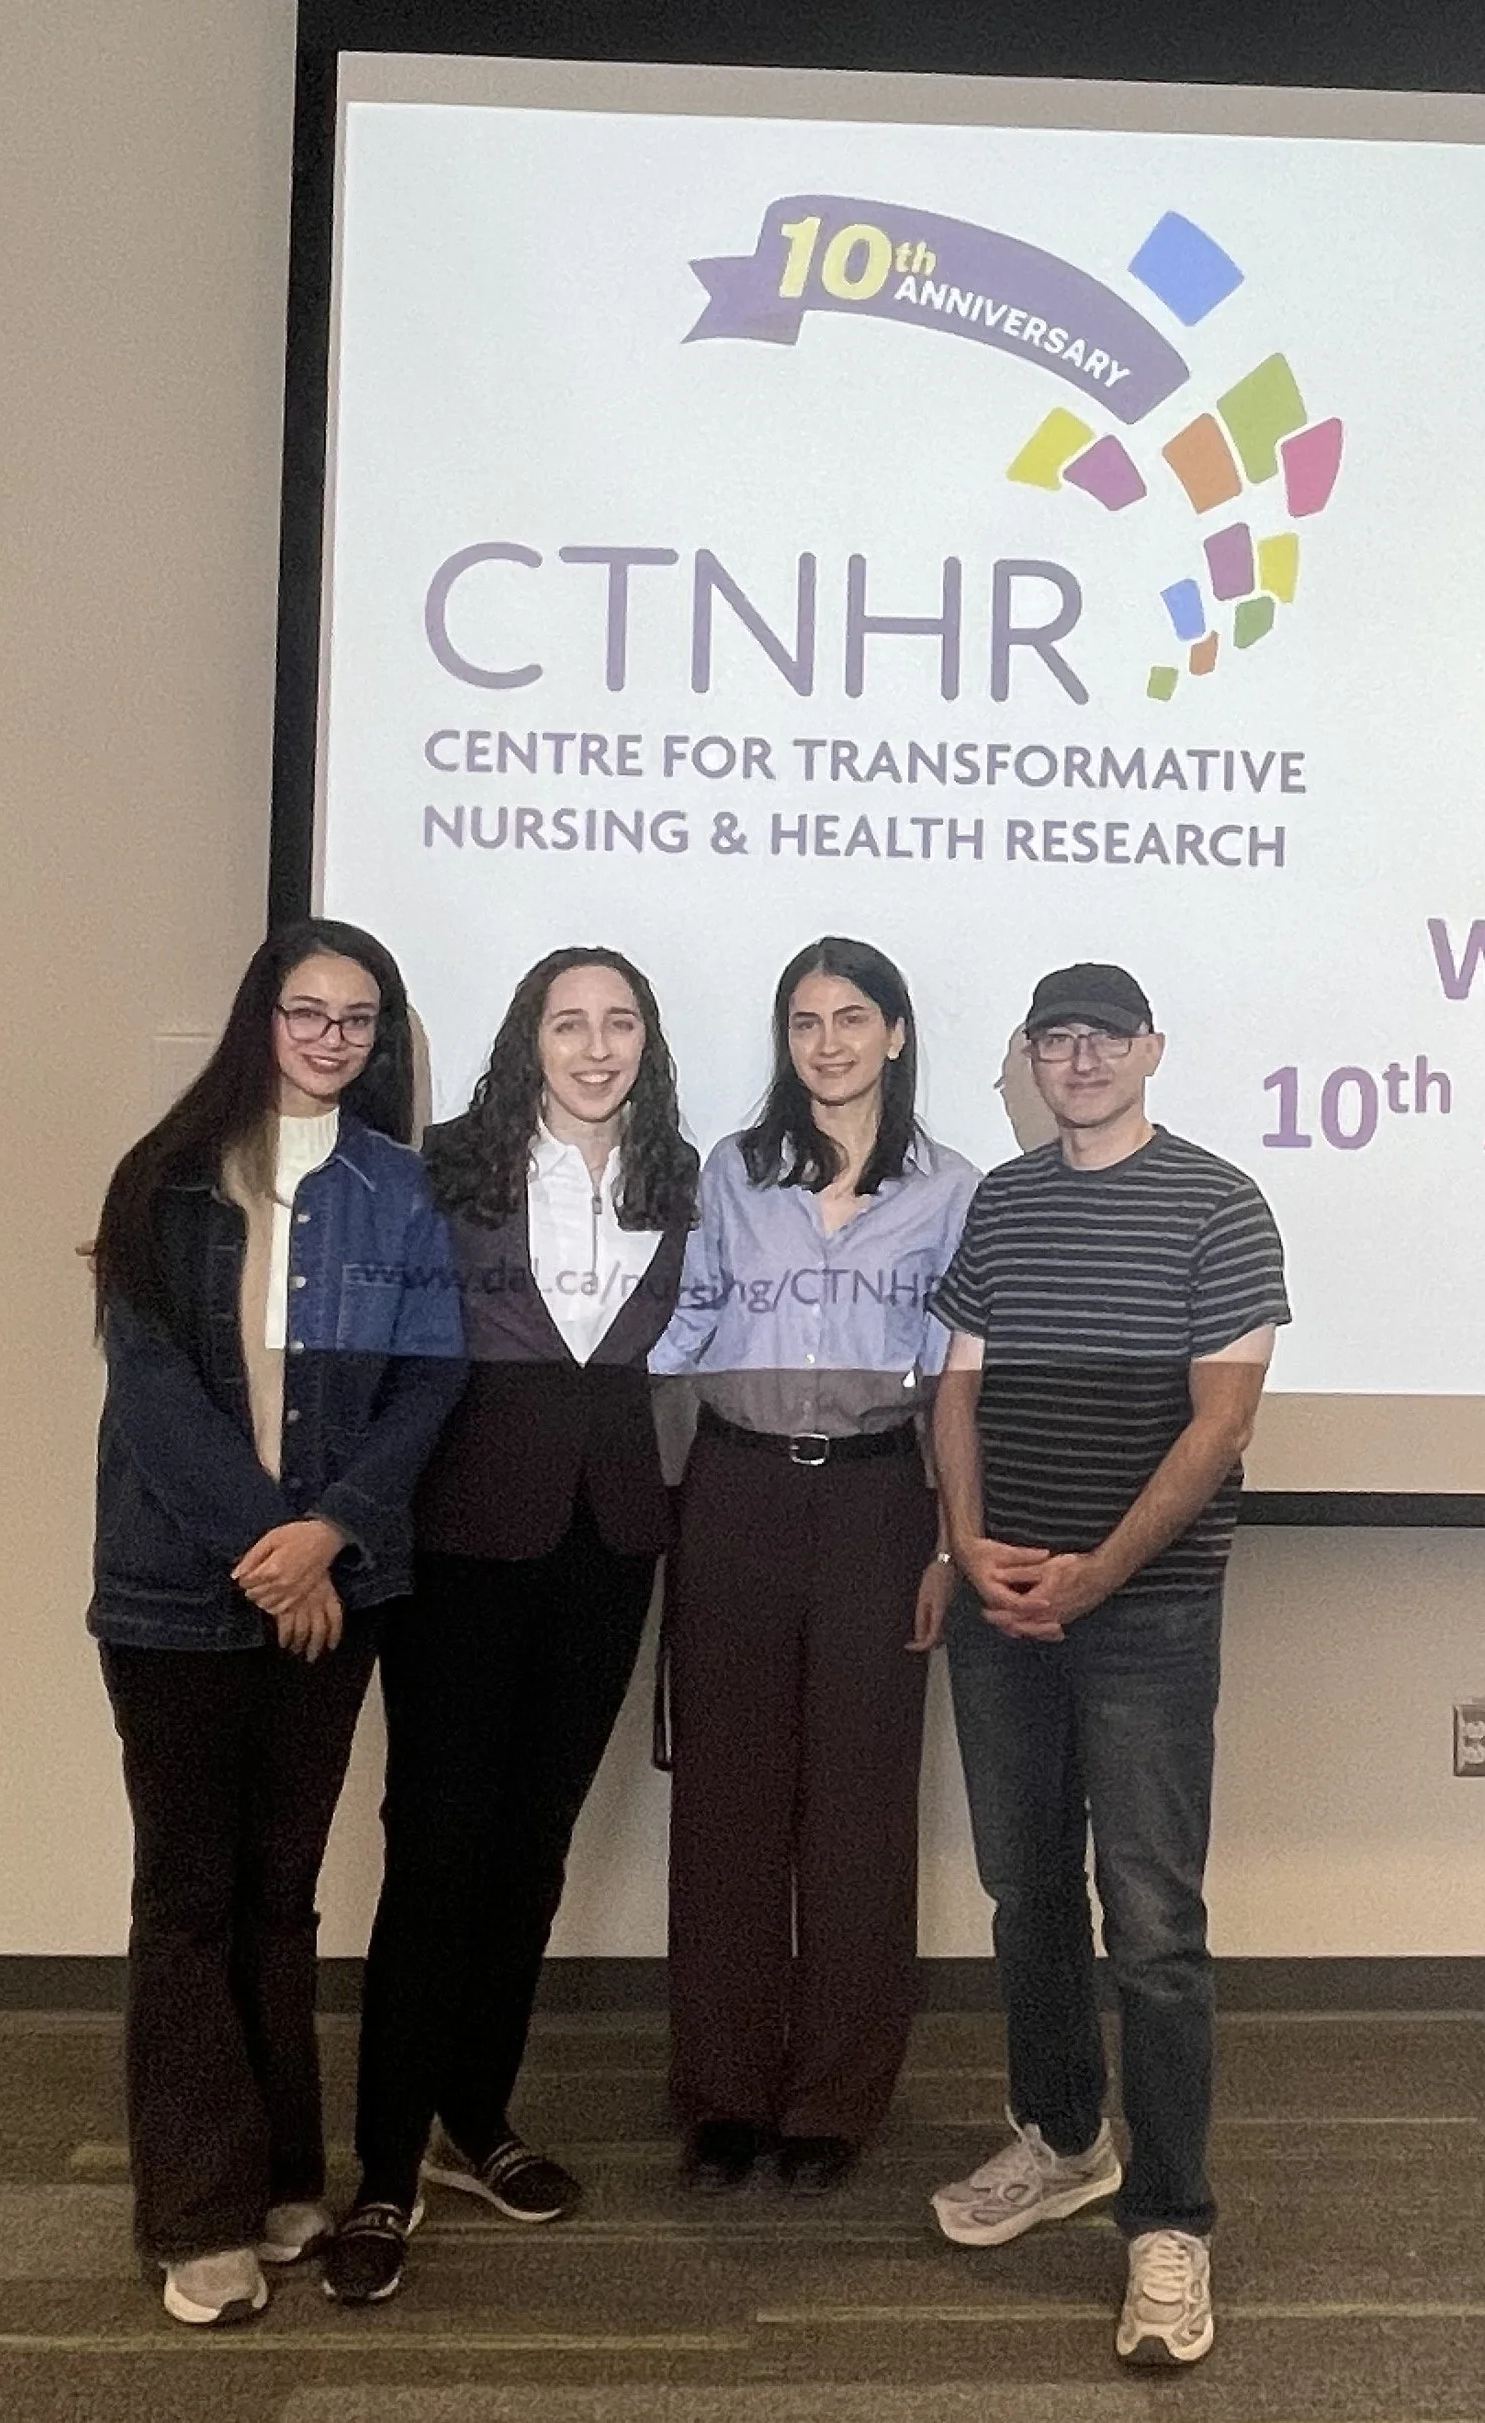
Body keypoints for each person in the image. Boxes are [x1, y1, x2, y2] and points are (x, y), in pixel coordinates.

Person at [87, 920, 464, 2328]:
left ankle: (282, 2172)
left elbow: (429, 1382)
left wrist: (330, 1532)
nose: (331, 1037)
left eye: (358, 1018)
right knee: (188, 1896)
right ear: (263, 1017)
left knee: (282, 1891)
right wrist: (274, 1545)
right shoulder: (165, 1177)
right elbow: (152, 1389)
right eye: (308, 1010)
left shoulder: (400, 1191)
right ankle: (195, 2210)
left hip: (332, 1589)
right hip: (175, 1592)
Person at [926, 962, 1289, 2368]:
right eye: (1055, 1039)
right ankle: (1065, 2136)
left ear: (1152, 1049)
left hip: (1146, 1615)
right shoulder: (1004, 1204)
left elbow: (1221, 1424)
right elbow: (957, 1388)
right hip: (1002, 1606)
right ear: (1030, 1056)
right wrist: (969, 1545)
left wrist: (1097, 1573)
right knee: (1025, 1891)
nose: (1078, 1059)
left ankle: (1170, 2217)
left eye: (1104, 1038)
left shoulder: (1219, 1203)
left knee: (1152, 1923)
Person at [324, 948, 699, 2303]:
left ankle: (475, 2118)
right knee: (435, 1851)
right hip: (461, 1541)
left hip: (610, 1544)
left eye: (619, 1022)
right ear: (526, 1037)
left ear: (647, 1041)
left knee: (534, 1847)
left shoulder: (680, 1176)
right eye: (567, 1021)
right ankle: (383, 2165)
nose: (595, 1046)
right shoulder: (442, 1165)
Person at [649, 937, 977, 2192]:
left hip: (878, 1503)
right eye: (804, 1020)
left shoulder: (952, 1189)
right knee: (726, 1802)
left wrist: (946, 1539)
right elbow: (686, 1326)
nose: (827, 1042)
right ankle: (723, 2091)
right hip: (734, 1493)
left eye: (851, 1017)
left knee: (859, 1807)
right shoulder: (732, 1172)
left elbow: (959, 1385)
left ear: (896, 1033)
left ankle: (834, 2097)